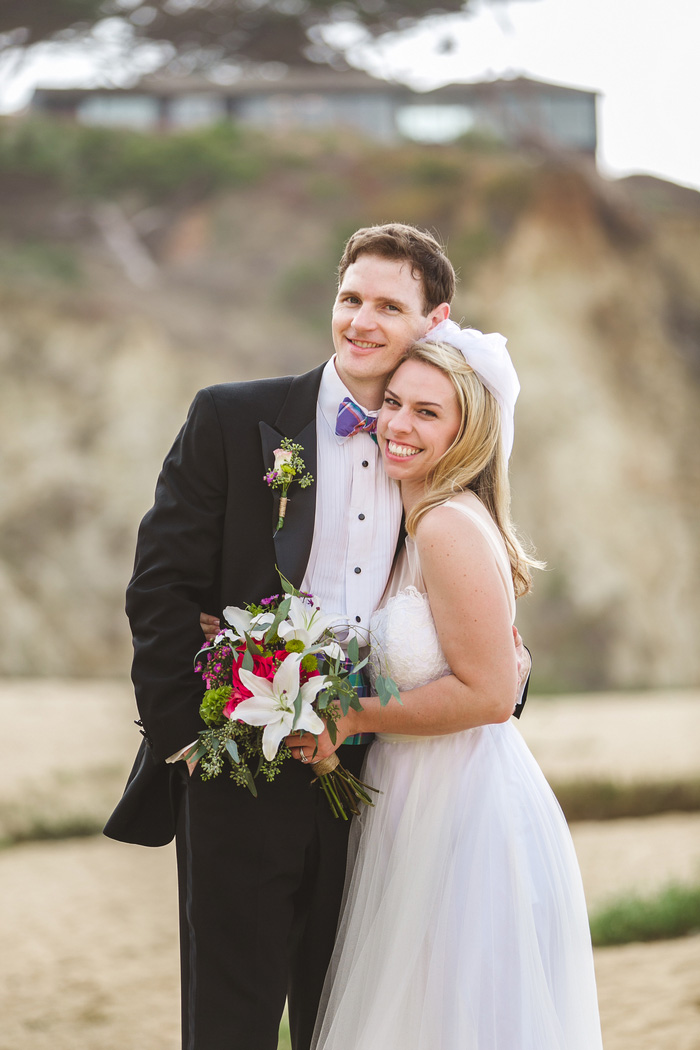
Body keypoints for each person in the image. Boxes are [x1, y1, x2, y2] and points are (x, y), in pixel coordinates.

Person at [103, 223, 530, 1050]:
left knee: (349, 1024)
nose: (361, 321)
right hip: (238, 772)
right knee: (230, 1024)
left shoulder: (437, 455)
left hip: (381, 787)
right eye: (350, 298)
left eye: (388, 306)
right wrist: (188, 741)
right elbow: (160, 589)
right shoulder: (233, 417)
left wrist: (501, 682)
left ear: (433, 322)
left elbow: (476, 620)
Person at [289, 327, 603, 1049]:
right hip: (419, 796)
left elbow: (490, 695)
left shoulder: (446, 528)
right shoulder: (422, 518)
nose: (397, 424)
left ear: (469, 431)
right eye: (394, 402)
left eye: (428, 413)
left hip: (460, 810)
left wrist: (346, 718)